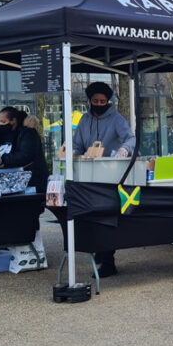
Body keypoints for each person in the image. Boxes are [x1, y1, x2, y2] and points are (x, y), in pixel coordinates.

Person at [72, 81, 136, 278]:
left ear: (108, 101)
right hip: (88, 176)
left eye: (103, 101)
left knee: (106, 217)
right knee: (92, 217)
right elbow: (77, 144)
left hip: (110, 175)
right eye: (95, 101)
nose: (99, 104)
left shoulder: (116, 118)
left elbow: (131, 138)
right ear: (90, 101)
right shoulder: (84, 120)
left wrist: (125, 149)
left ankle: (108, 260)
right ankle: (101, 252)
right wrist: (73, 152)